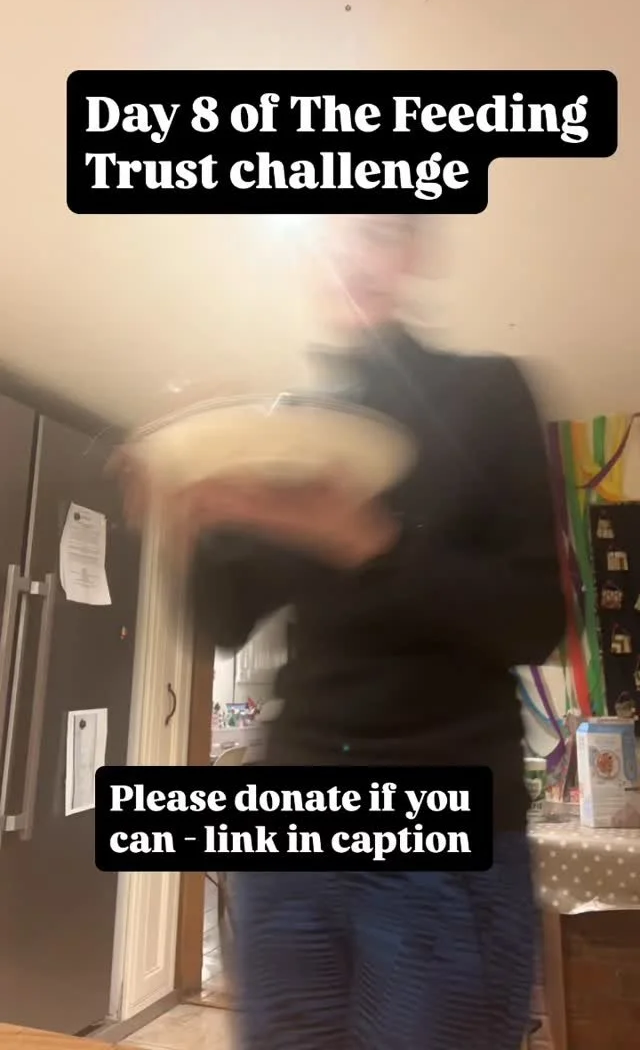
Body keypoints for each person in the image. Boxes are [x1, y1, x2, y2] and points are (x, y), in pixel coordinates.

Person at [121, 214, 565, 1050]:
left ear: (413, 250)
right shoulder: (289, 429)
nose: (350, 255)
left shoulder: (485, 392)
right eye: (331, 235)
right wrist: (192, 509)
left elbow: (533, 621)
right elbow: (223, 619)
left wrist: (369, 539)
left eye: (375, 232)